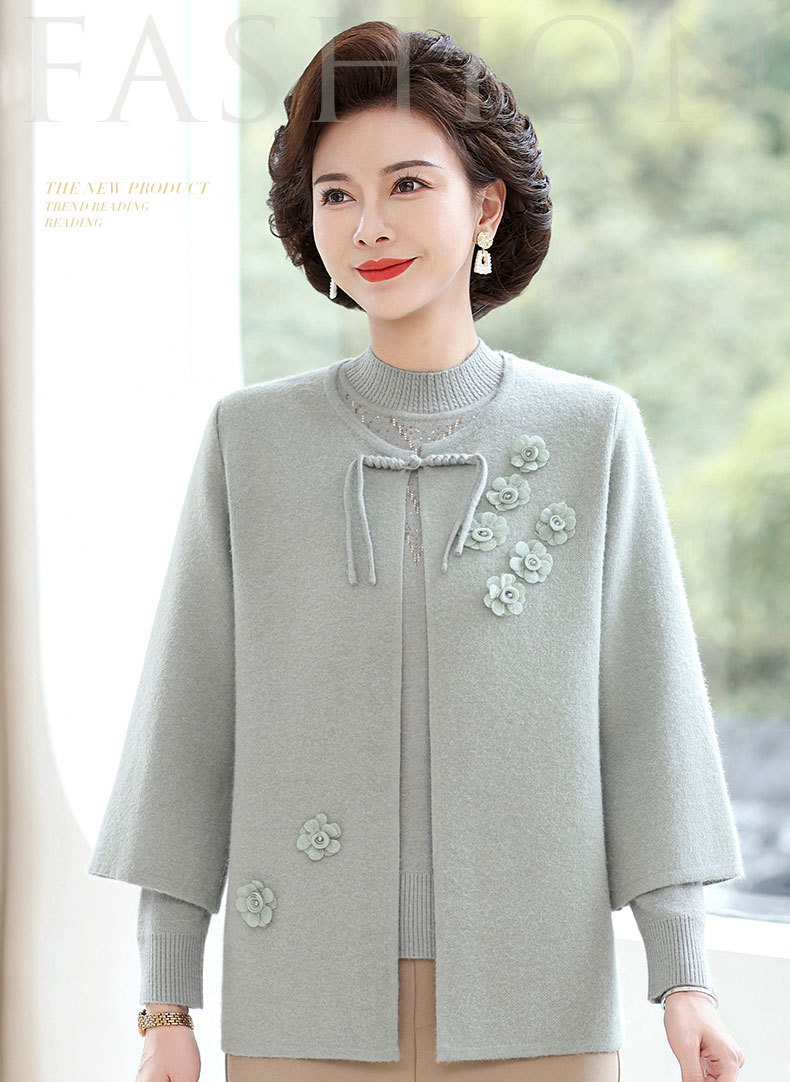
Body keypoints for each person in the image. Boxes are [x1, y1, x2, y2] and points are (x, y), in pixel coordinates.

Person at [88, 21, 747, 1082]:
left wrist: (685, 977)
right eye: (335, 194)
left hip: (539, 1006)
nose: (368, 226)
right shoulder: (250, 442)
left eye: (407, 184)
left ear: (485, 206)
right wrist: (165, 1000)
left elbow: (649, 713)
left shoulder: (591, 432)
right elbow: (189, 721)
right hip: (298, 1002)